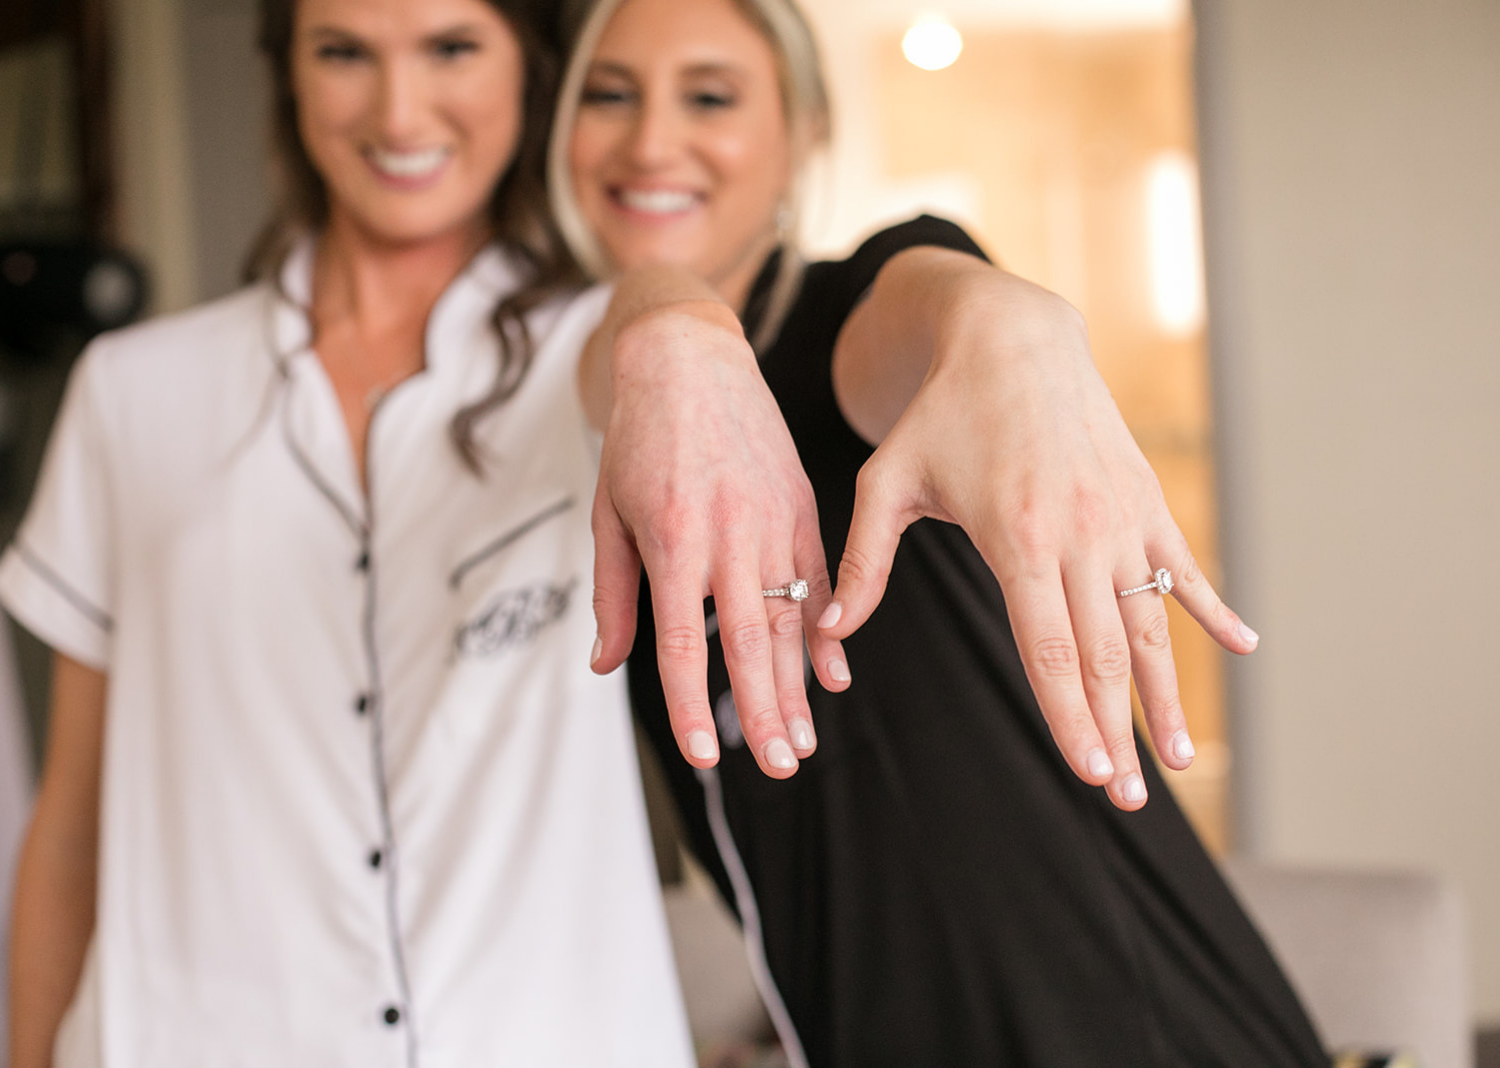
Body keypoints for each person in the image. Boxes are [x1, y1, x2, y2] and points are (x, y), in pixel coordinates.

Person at [549, 0, 1331, 1064]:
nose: (650, 141)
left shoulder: (837, 326)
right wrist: (663, 328)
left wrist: (1001, 322)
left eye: (710, 96)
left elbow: (926, 293)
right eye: (609, 94)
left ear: (803, 132)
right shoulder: (603, 410)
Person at [0, 0, 706, 1063]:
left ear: (530, 67)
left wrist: (680, 333)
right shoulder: (134, 394)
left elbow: (656, 353)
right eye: (343, 53)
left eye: (451, 46)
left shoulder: (603, 357)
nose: (398, 108)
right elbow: (72, 820)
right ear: (288, 70)